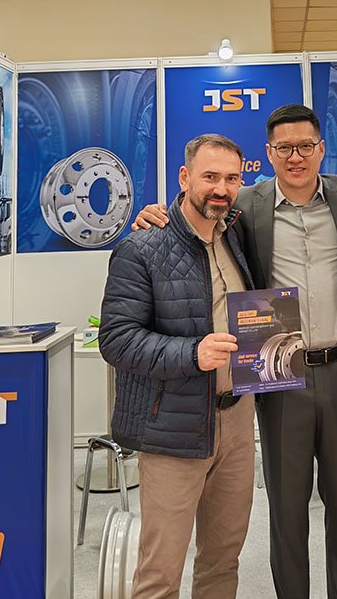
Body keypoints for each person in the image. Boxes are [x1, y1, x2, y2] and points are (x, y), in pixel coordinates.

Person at [133, 104, 337, 598]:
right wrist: (155, 213)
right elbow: (197, 213)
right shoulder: (245, 204)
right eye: (284, 147)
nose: (296, 156)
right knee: (287, 508)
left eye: (305, 146)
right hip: (277, 369)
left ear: (321, 149)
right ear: (268, 154)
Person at [99, 134, 256, 599]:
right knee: (161, 570)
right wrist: (192, 353)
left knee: (223, 558)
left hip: (236, 421)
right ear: (185, 177)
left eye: (231, 179)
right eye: (210, 177)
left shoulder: (237, 236)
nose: (221, 189)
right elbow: (116, 339)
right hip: (173, 426)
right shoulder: (141, 248)